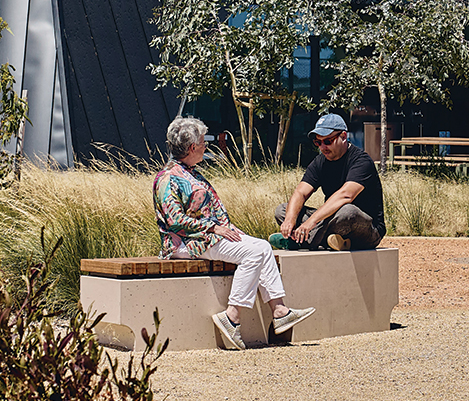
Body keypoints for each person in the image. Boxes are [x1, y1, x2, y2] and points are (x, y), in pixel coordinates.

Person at [153, 117, 314, 350]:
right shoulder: (167, 178)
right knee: (253, 253)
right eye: (202, 142)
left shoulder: (193, 174)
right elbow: (175, 220)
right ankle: (232, 315)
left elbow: (215, 210)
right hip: (187, 243)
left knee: (262, 246)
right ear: (192, 148)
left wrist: (231, 229)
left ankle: (280, 311)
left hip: (207, 237)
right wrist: (213, 228)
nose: (206, 146)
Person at [273, 114, 385, 252]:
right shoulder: (320, 162)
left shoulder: (362, 161)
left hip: (365, 228)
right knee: (283, 210)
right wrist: (290, 220)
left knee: (347, 211)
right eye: (317, 142)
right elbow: (300, 192)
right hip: (332, 223)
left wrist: (311, 222)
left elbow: (346, 195)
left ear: (343, 136)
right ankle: (333, 241)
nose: (322, 147)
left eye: (327, 141)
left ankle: (301, 241)